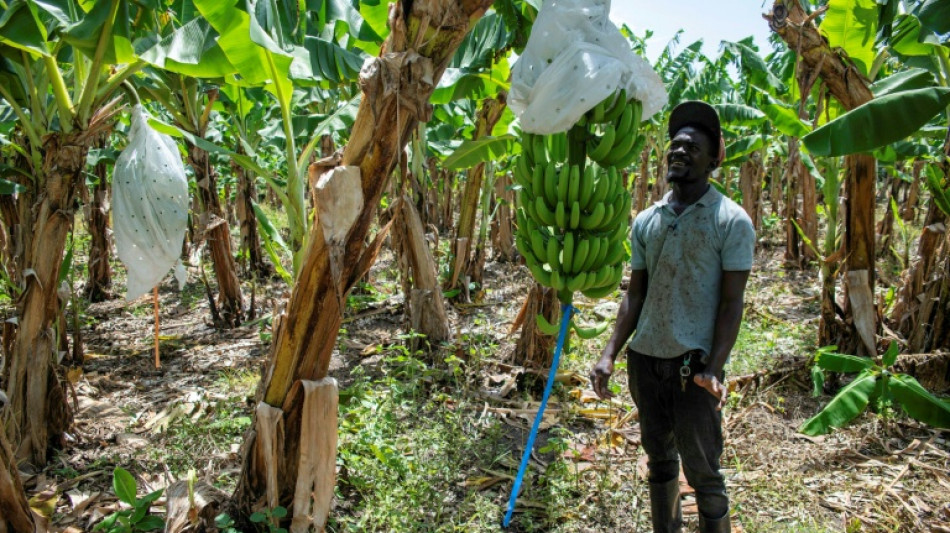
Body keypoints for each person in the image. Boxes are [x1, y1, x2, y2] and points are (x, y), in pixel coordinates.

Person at [589, 101, 755, 533]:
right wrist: (609, 353)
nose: (679, 152)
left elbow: (732, 303)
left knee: (703, 473)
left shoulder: (731, 220)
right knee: (659, 460)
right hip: (646, 361)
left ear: (714, 159)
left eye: (693, 147)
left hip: (693, 367)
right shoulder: (647, 220)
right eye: (675, 145)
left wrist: (714, 368)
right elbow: (635, 293)